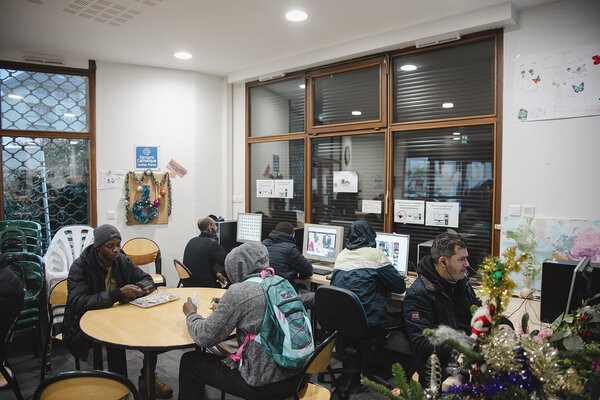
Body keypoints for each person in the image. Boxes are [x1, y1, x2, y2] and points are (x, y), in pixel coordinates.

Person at [178, 242, 304, 400]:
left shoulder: (239, 292)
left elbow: (204, 337)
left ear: (235, 268)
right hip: (298, 375)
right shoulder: (281, 283)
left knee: (190, 362)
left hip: (263, 383)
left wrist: (191, 313)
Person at [62, 224, 173, 399]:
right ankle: (116, 387)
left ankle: (147, 377)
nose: (115, 250)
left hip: (117, 316)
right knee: (115, 343)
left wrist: (138, 289)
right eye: (110, 246)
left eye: (118, 244)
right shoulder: (81, 266)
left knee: (151, 332)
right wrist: (117, 294)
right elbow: (77, 302)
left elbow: (147, 279)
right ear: (98, 247)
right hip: (84, 322)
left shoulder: (121, 260)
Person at [402, 232, 480, 386]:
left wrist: (503, 324)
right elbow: (422, 343)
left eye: (467, 258)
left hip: (467, 356)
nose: (467, 264)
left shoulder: (460, 280)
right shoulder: (419, 294)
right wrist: (467, 345)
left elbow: (477, 308)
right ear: (443, 262)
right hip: (439, 369)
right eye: (461, 259)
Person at [331, 219, 406, 331]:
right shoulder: (375, 255)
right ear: (371, 234)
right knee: (408, 317)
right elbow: (400, 287)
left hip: (342, 321)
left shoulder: (341, 254)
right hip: (368, 321)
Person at [261, 221, 314, 308]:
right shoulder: (289, 248)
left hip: (265, 292)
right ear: (291, 235)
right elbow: (309, 270)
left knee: (301, 286)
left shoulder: (263, 244)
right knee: (316, 297)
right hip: (282, 294)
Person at [182, 217, 228, 288]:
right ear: (209, 227)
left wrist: (218, 274)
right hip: (204, 286)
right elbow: (227, 262)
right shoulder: (212, 244)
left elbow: (201, 265)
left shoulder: (192, 241)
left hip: (188, 284)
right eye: (215, 225)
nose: (216, 228)